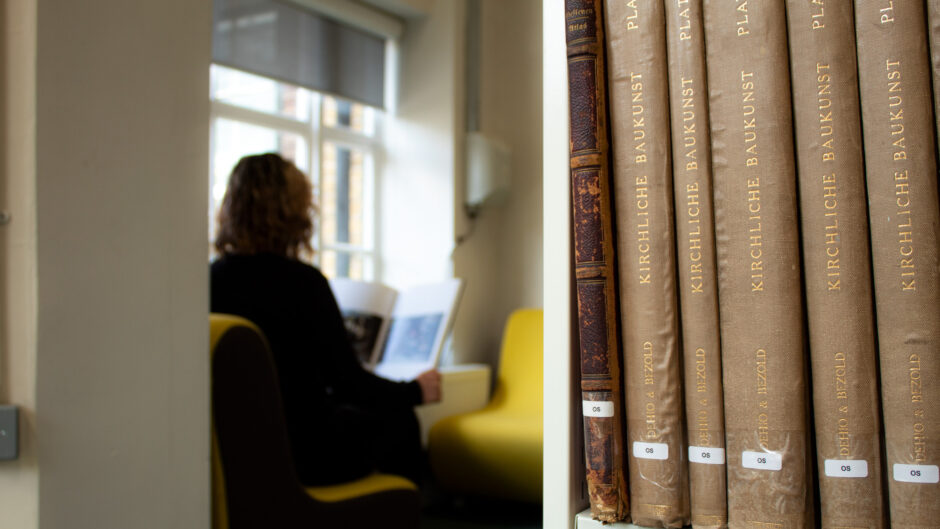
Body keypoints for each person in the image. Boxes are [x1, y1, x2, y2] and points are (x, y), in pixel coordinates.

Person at [210, 152, 441, 486]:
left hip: (234, 453)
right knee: (401, 422)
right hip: (305, 454)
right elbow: (349, 384)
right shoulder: (302, 283)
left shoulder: (209, 279)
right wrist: (415, 391)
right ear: (294, 212)